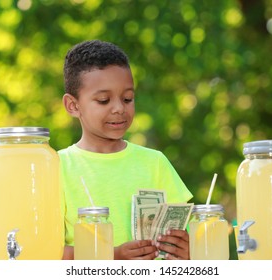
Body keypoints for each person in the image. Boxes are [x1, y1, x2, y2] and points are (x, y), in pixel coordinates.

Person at [59, 39, 193, 260]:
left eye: (128, 98)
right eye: (103, 100)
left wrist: (188, 252)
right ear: (73, 106)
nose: (119, 109)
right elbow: (45, 252)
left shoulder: (155, 162)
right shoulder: (55, 167)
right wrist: (113, 257)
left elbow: (183, 242)